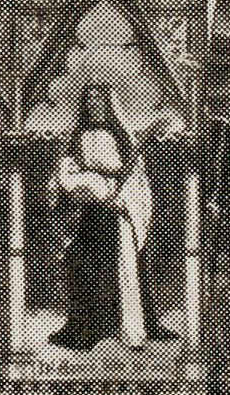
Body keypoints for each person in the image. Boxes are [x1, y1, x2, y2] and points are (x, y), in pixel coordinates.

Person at [50, 83, 156, 351]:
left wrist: (119, 196)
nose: (95, 106)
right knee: (83, 266)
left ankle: (128, 329)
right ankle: (86, 328)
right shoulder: (77, 139)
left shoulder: (121, 138)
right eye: (90, 101)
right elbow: (67, 176)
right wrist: (87, 185)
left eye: (99, 100)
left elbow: (134, 178)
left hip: (117, 213)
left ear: (107, 105)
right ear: (84, 106)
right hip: (89, 213)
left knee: (122, 268)